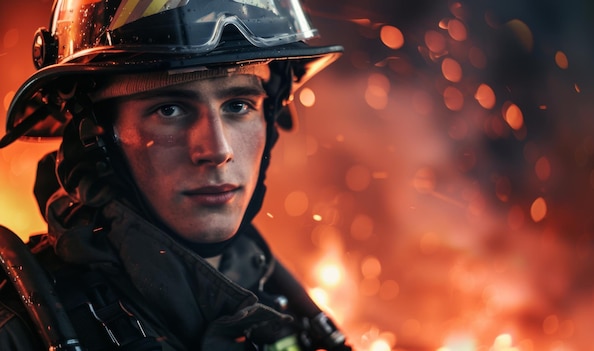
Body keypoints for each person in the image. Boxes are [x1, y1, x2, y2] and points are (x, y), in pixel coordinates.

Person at [0, 0, 349, 350]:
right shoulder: (18, 333)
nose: (216, 150)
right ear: (96, 139)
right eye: (169, 110)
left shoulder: (280, 304)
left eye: (238, 105)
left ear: (271, 119)